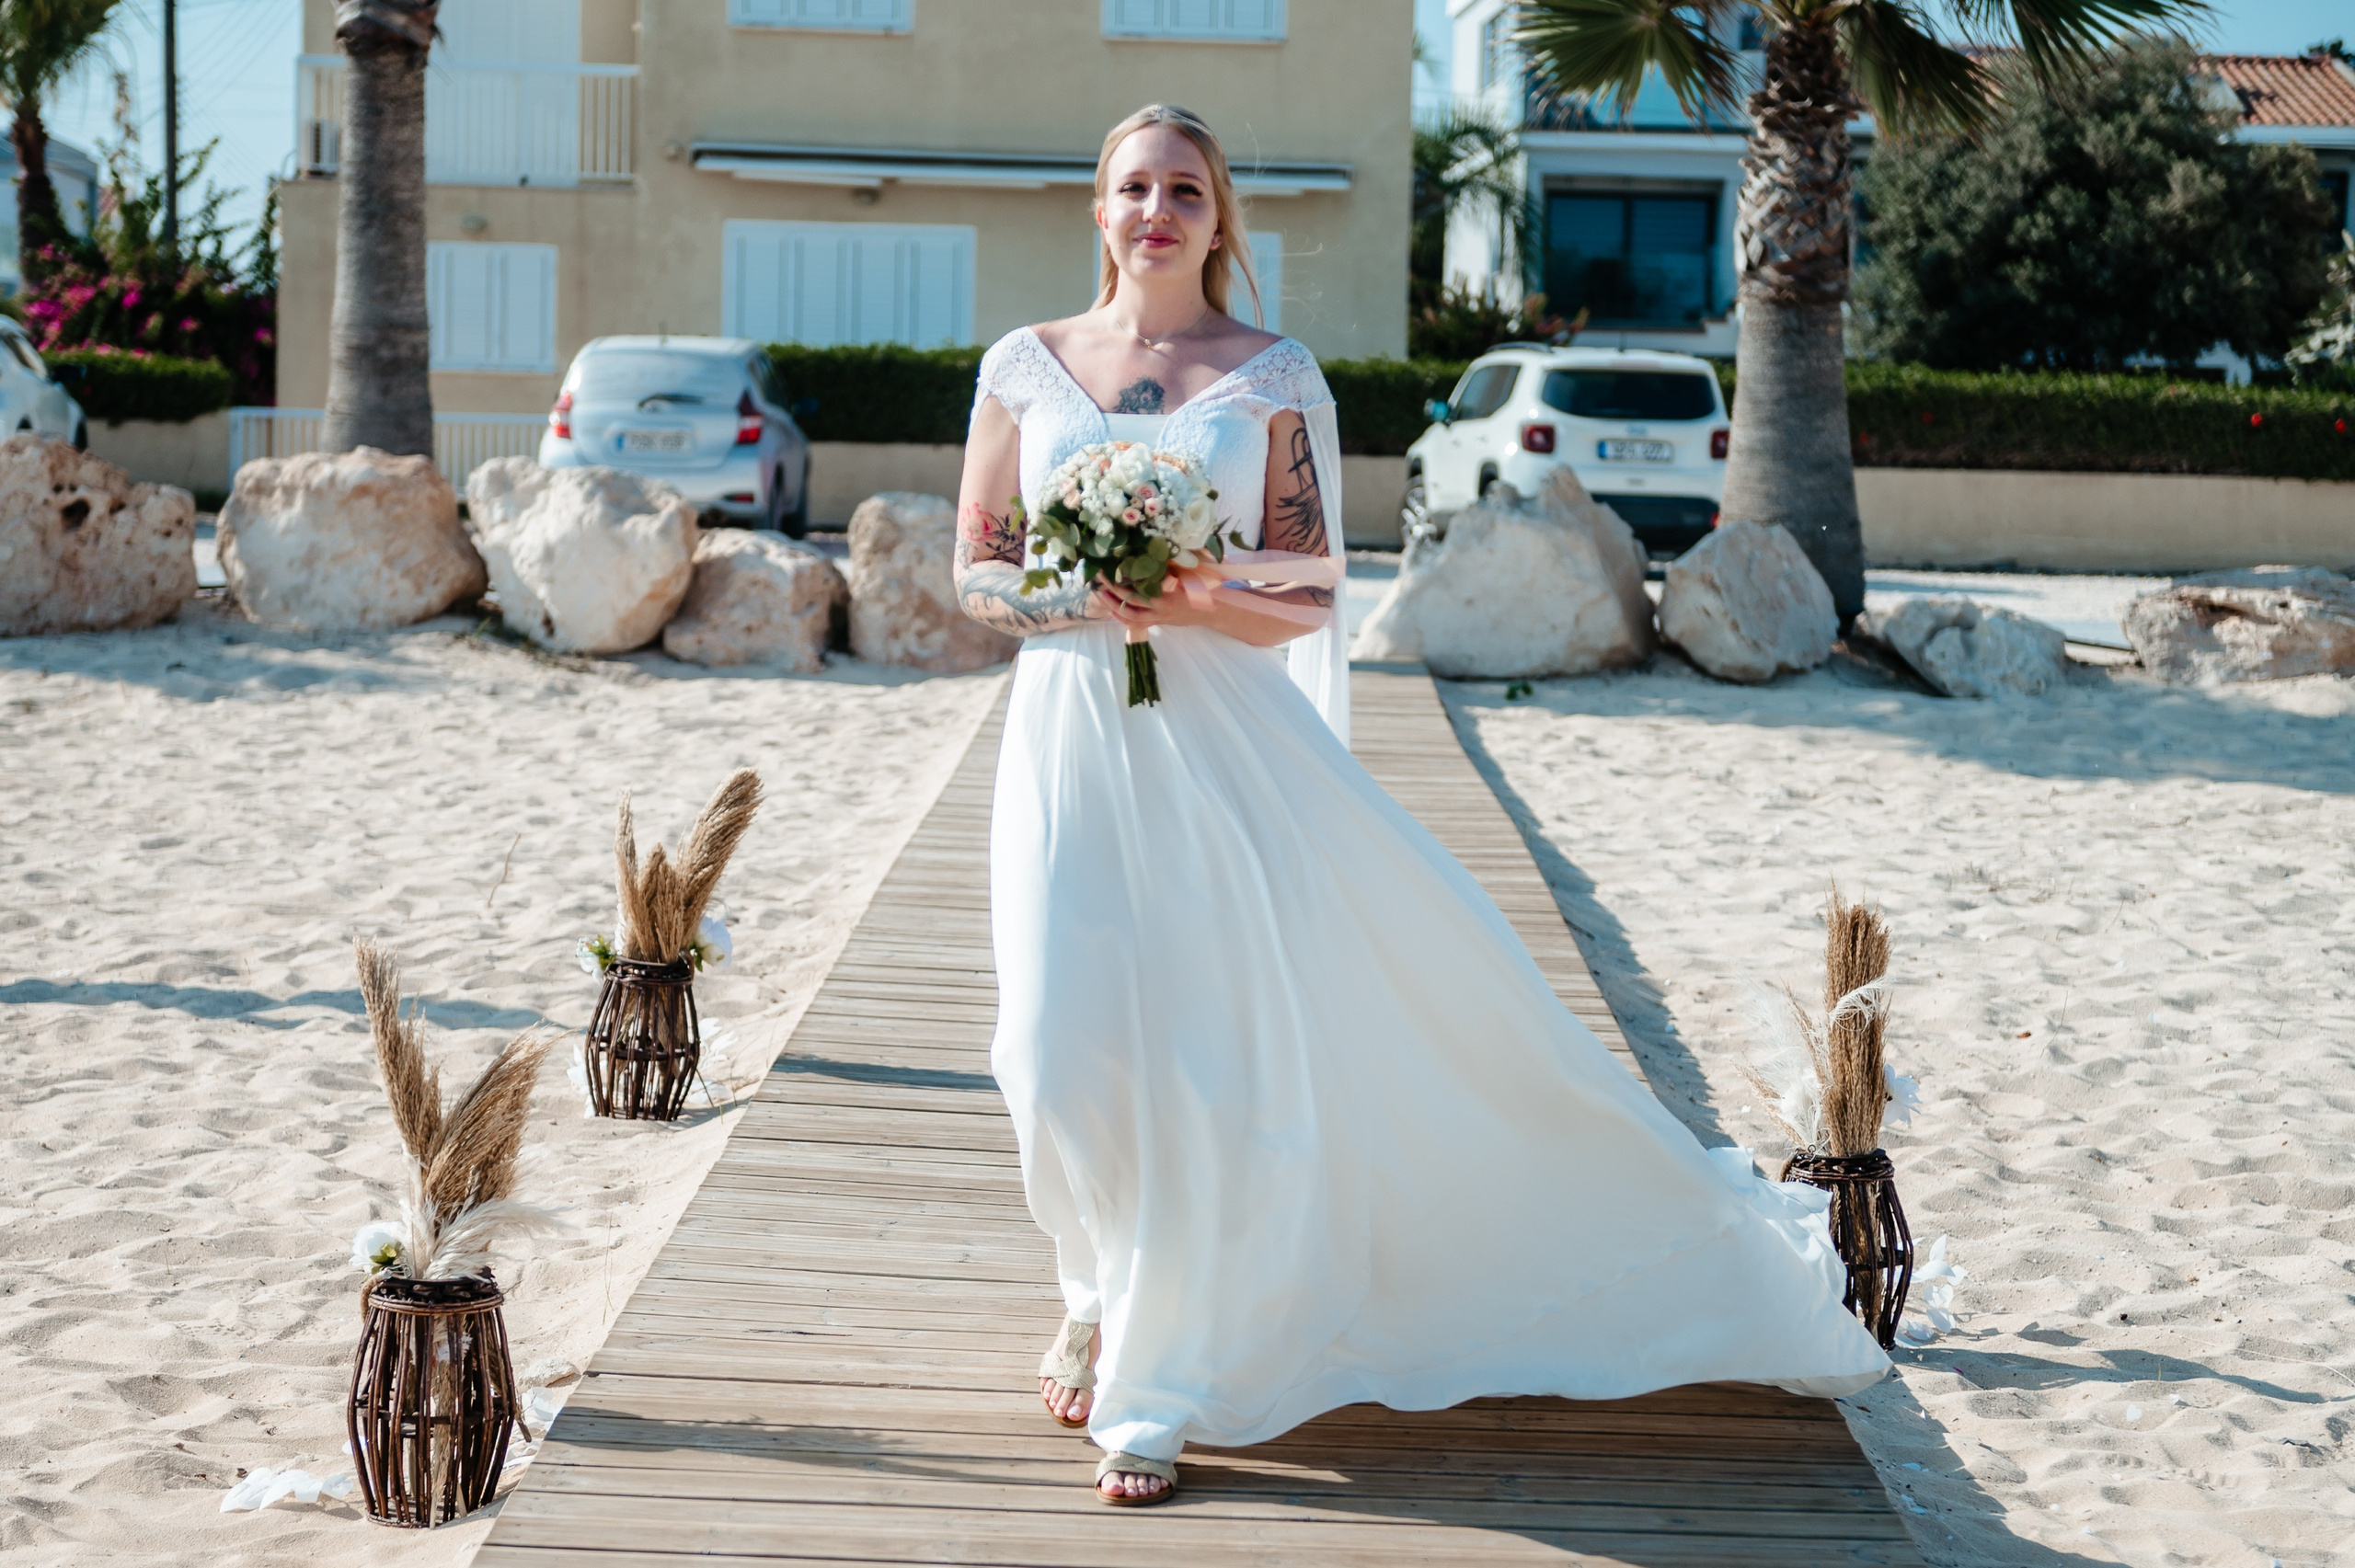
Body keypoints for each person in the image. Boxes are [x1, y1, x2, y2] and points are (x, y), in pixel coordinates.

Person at [954, 103, 1888, 1509]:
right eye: (1133, 186)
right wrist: (1085, 589)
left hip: (1224, 749)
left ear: (1219, 218)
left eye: (1186, 188)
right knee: (1049, 1043)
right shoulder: (1025, 369)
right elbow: (978, 570)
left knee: (1209, 1048)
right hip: (1071, 735)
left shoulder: (1270, 378)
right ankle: (1091, 1280)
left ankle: (1159, 1365)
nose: (1158, 209)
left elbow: (1313, 591)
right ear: (1099, 209)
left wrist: (1190, 588)